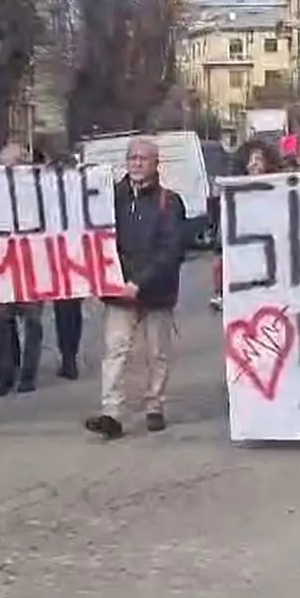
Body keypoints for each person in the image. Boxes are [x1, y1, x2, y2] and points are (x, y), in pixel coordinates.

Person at [85, 137, 185, 439]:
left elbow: (171, 249)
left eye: (143, 158)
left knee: (157, 354)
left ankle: (154, 405)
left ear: (156, 164)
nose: (137, 163)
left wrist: (140, 282)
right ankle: (111, 413)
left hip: (156, 293)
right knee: (116, 352)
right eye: (132, 158)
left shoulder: (169, 201)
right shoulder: (108, 198)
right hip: (118, 292)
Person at [0, 142, 46, 395]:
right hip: (3, 266)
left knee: (32, 322)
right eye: (4, 167)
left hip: (33, 266)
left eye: (13, 165)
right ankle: (5, 372)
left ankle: (28, 375)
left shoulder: (40, 191)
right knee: (1, 320)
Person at [210, 139, 281, 311]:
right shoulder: (234, 189)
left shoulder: (279, 187)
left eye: (258, 159)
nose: (253, 164)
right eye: (250, 160)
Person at [49, 151, 84, 380]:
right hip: (65, 258)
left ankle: (68, 356)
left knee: (66, 311)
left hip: (70, 258)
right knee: (69, 311)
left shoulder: (74, 196)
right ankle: (69, 356)